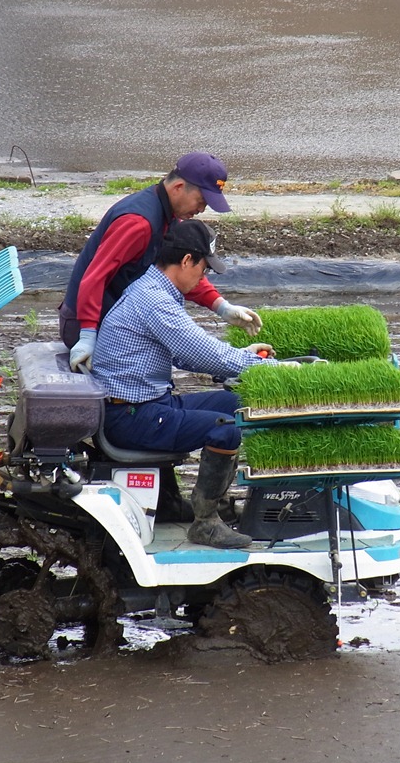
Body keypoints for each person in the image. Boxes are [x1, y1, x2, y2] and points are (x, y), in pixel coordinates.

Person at [90, 220, 291, 549]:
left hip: (147, 404)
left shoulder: (152, 288)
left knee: (240, 403)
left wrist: (243, 357)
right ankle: (206, 523)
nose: (204, 277)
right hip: (131, 416)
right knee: (227, 427)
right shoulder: (154, 300)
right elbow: (205, 354)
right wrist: (278, 369)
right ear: (186, 261)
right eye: (203, 268)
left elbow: (185, 354)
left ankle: (187, 504)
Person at [59, 151, 262, 372]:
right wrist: (88, 334)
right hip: (84, 324)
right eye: (201, 201)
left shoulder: (167, 215)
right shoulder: (138, 223)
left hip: (114, 321)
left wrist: (222, 307)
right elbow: (94, 276)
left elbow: (180, 271)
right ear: (178, 187)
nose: (201, 210)